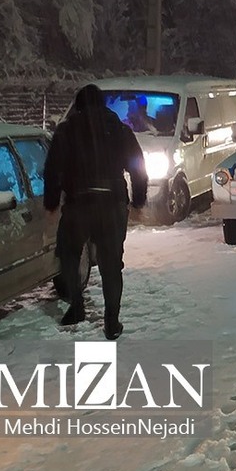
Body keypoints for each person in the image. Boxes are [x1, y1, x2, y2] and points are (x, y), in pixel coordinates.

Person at [44, 84, 148, 340]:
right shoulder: (119, 130)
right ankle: (112, 321)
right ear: (103, 105)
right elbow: (137, 166)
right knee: (111, 264)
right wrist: (138, 200)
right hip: (111, 205)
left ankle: (76, 305)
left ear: (78, 105)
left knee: (68, 254)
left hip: (78, 204)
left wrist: (51, 202)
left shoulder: (66, 131)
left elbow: (53, 168)